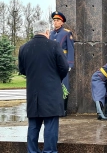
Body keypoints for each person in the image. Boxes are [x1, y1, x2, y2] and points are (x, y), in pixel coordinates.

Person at [18, 20, 69, 153]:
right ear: (47, 32)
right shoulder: (54, 46)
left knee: (33, 126)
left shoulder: (24, 48)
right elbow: (64, 67)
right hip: (51, 94)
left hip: (33, 94)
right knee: (51, 126)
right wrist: (56, 79)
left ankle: (32, 151)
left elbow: (22, 70)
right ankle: (49, 151)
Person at [50, 11, 74, 116]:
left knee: (64, 86)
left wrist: (69, 64)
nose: (55, 22)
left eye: (57, 20)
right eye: (54, 20)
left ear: (62, 22)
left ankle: (63, 110)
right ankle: (54, 109)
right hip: (52, 64)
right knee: (53, 86)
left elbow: (71, 49)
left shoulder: (66, 33)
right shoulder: (50, 34)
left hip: (63, 63)